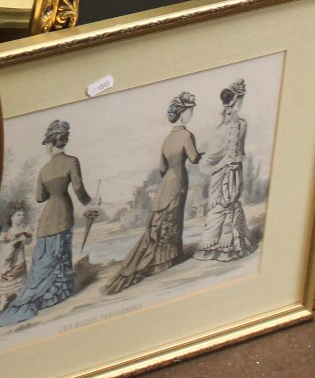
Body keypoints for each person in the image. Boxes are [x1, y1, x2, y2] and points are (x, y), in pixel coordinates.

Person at [0, 119, 95, 326]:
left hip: (47, 216)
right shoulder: (72, 161)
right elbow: (78, 189)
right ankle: (60, 291)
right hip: (63, 210)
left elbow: (40, 197)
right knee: (61, 251)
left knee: (46, 255)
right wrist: (91, 202)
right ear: (63, 141)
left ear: (50, 144)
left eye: (47, 144)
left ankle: (43, 292)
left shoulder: (44, 169)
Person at [103, 92, 202, 296]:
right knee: (172, 221)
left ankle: (156, 261)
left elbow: (162, 169)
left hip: (164, 185)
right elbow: (193, 159)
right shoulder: (186, 135)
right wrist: (203, 154)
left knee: (159, 224)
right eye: (190, 110)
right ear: (182, 114)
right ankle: (166, 261)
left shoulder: (167, 139)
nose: (192, 113)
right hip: (179, 181)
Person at [197, 80, 256, 263]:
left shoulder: (219, 130)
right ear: (237, 100)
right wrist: (228, 163)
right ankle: (231, 247)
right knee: (228, 205)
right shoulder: (242, 125)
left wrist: (213, 164)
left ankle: (214, 249)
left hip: (222, 174)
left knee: (218, 208)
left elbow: (208, 161)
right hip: (234, 172)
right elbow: (238, 153)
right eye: (241, 99)